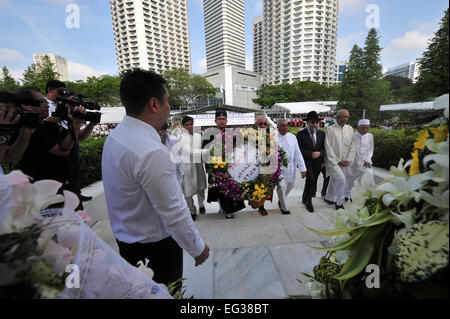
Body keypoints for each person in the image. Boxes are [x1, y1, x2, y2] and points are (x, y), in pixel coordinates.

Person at [101, 69, 209, 289]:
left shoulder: (116, 137)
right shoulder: (150, 151)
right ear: (154, 104)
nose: (169, 109)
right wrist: (197, 248)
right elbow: (173, 210)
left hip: (128, 244)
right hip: (156, 249)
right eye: (167, 102)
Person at [203, 108, 245, 219]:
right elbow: (204, 150)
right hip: (215, 167)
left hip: (229, 167)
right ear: (215, 121)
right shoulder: (209, 134)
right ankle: (223, 207)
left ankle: (228, 209)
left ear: (226, 120)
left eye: (224, 119)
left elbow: (239, 148)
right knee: (218, 189)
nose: (222, 121)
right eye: (219, 119)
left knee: (229, 188)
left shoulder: (232, 133)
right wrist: (207, 165)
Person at [324, 109, 356, 210]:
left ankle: (328, 197)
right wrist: (337, 161)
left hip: (345, 162)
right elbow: (327, 146)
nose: (344, 119)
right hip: (333, 162)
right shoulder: (330, 129)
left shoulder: (350, 129)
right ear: (336, 117)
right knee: (341, 179)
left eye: (346, 117)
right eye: (342, 116)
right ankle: (339, 203)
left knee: (335, 178)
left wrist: (349, 160)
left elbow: (352, 146)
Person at [296, 111, 326, 213]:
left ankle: (304, 197)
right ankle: (309, 201)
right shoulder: (300, 134)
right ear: (307, 122)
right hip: (306, 162)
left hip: (318, 162)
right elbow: (299, 149)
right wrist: (311, 154)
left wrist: (320, 154)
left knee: (312, 181)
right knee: (311, 179)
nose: (314, 124)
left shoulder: (322, 134)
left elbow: (324, 148)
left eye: (316, 122)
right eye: (312, 122)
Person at [276, 119, 307, 214]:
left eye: (286, 125)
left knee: (290, 186)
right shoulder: (273, 138)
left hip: (291, 168)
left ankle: (281, 200)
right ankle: (284, 208)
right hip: (279, 169)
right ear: (277, 127)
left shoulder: (293, 137)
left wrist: (303, 168)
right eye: (282, 125)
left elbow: (298, 153)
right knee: (281, 187)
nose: (285, 127)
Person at [180, 116, 207, 221]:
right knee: (188, 192)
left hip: (198, 165)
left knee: (201, 188)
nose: (189, 126)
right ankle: (192, 210)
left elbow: (201, 151)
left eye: (191, 124)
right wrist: (207, 150)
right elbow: (190, 152)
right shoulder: (181, 138)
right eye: (187, 125)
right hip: (187, 166)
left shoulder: (198, 136)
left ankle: (201, 205)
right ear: (183, 126)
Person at [344, 119, 375, 198]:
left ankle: (367, 196)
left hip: (365, 162)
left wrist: (368, 160)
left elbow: (370, 149)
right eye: (363, 128)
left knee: (369, 175)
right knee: (350, 179)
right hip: (353, 162)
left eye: (367, 128)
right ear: (358, 127)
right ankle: (347, 196)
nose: (365, 130)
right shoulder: (352, 135)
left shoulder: (370, 136)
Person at [255, 115, 271, 216]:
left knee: (264, 186)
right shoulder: (251, 134)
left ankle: (261, 206)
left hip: (266, 165)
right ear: (256, 125)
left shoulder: (271, 135)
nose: (263, 126)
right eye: (261, 124)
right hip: (253, 164)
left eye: (265, 124)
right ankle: (255, 203)